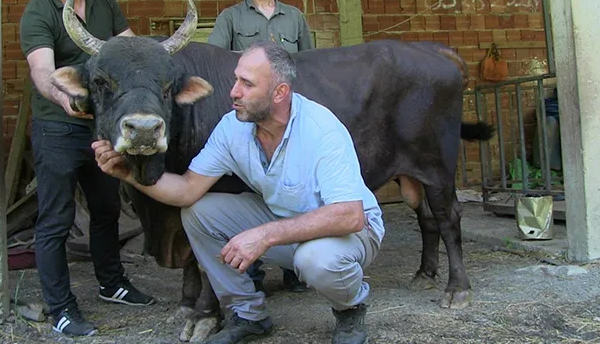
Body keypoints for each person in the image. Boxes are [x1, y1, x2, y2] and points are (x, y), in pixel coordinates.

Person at [93, 42, 383, 344]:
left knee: (316, 259)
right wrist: (128, 173)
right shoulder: (233, 127)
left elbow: (350, 216)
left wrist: (264, 235)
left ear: (280, 93)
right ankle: (247, 314)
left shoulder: (321, 129)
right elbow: (187, 191)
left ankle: (350, 310)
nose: (233, 92)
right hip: (286, 220)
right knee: (199, 212)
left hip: (350, 232)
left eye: (247, 84)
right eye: (235, 80)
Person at [20, 0, 155, 337]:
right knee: (56, 221)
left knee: (106, 210)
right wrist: (66, 100)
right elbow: (42, 71)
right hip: (58, 129)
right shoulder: (38, 12)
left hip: (101, 129)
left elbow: (131, 50)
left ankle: (112, 284)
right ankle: (61, 307)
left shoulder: (103, 3)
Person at [208, 0, 311, 293]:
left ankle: (295, 267)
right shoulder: (230, 18)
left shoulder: (295, 17)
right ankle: (250, 268)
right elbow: (217, 67)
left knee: (295, 187)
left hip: (288, 121)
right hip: (252, 124)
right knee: (250, 190)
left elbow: (309, 67)